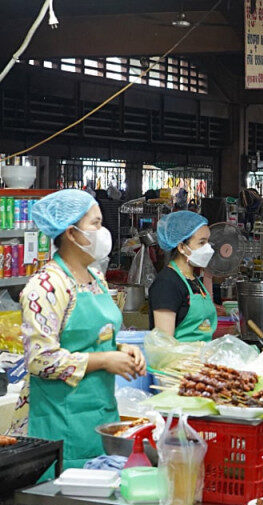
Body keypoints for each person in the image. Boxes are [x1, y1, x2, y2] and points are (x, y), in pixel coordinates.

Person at [21, 188, 145, 472]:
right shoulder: (46, 286)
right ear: (71, 232)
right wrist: (104, 360)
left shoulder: (96, 277)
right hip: (62, 423)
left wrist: (120, 350)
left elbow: (93, 339)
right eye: (96, 224)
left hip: (100, 417)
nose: (103, 233)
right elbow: (40, 360)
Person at [148, 211, 218, 342]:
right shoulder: (166, 284)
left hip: (201, 358)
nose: (208, 248)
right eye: (201, 243)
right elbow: (164, 343)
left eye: (208, 242)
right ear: (181, 247)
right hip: (179, 361)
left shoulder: (193, 279)